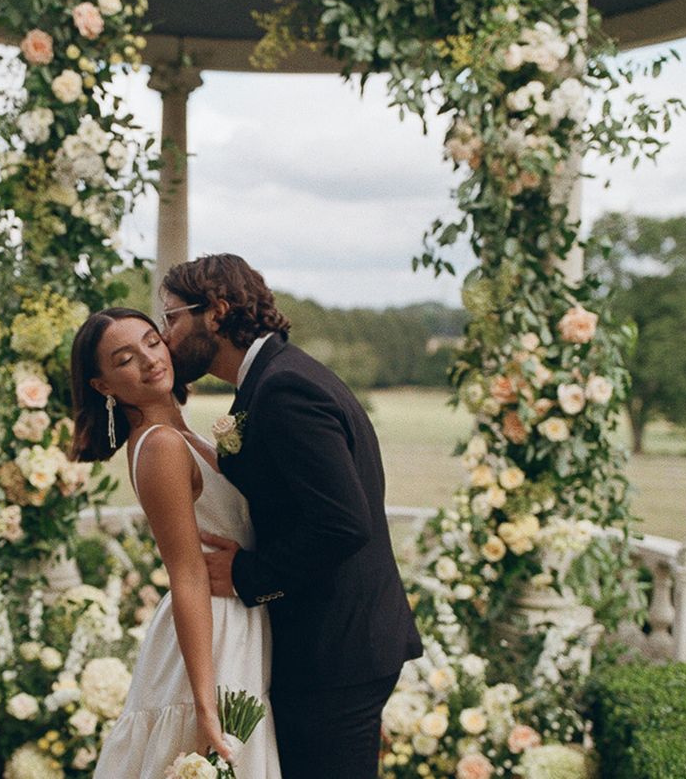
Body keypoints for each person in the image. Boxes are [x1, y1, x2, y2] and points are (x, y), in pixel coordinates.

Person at [160, 254, 423, 779]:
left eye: (171, 318)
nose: (165, 335)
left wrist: (247, 575)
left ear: (215, 312)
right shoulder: (272, 379)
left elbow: (343, 522)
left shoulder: (285, 389)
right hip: (333, 640)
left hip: (336, 649)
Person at [69, 307, 281, 778]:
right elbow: (186, 574)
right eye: (125, 359)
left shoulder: (184, 436)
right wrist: (205, 705)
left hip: (240, 620)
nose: (149, 360)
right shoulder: (161, 446)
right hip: (212, 636)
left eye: (151, 340)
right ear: (103, 386)